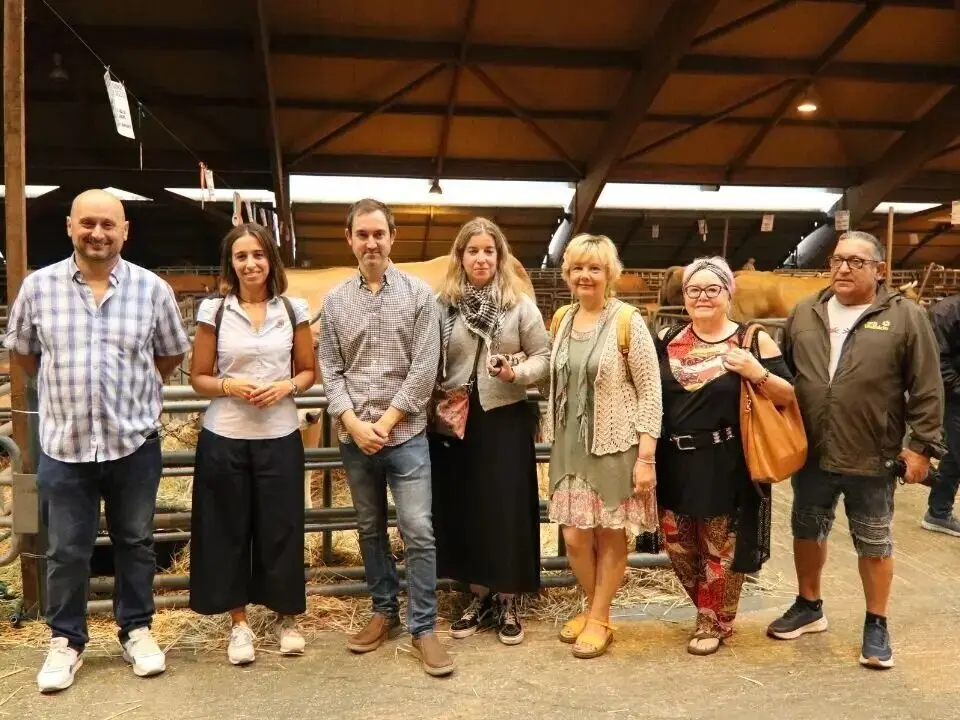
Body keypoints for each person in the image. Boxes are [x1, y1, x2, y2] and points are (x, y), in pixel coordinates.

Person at [3, 189, 191, 693]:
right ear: (70, 226)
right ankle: (66, 640)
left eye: (108, 224)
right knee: (66, 550)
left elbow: (170, 356)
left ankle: (137, 629)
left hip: (133, 443)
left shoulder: (152, 290)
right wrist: (70, 387)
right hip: (64, 445)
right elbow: (23, 354)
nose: (98, 233)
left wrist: (127, 386)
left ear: (125, 231)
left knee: (136, 541)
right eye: (88, 223)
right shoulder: (39, 288)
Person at [767, 230, 944, 669]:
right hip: (811, 449)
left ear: (879, 270)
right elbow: (782, 372)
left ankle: (877, 621)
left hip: (872, 451)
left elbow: (927, 386)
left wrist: (921, 447)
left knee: (874, 538)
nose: (843, 268)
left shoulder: (905, 317)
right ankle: (809, 605)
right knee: (807, 528)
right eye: (837, 259)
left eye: (856, 262)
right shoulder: (806, 310)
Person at [318, 198, 452, 677]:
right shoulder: (334, 302)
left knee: (417, 529)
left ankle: (423, 626)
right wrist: (353, 423)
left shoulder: (420, 296)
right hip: (356, 439)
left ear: (392, 238)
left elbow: (424, 369)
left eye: (379, 234)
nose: (371, 242)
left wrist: (387, 422)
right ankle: (383, 612)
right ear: (350, 239)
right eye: (363, 234)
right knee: (371, 528)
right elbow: (330, 369)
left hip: (407, 434)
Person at [188, 222, 316, 665]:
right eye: (241, 256)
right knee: (227, 528)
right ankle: (239, 623)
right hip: (225, 435)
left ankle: (286, 617)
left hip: (279, 435)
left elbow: (306, 371)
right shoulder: (214, 312)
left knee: (281, 527)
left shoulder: (293, 310)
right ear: (231, 264)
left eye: (258, 255)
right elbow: (199, 377)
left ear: (271, 261)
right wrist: (229, 386)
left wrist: (286, 388)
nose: (250, 263)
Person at [655, 257, 796, 656]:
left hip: (725, 458)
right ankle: (708, 608)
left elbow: (789, 395)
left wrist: (756, 372)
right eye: (693, 290)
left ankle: (713, 620)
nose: (702, 297)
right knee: (678, 545)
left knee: (721, 546)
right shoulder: (666, 339)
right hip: (674, 459)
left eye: (712, 289)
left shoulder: (752, 339)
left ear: (728, 295)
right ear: (683, 297)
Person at [430, 217, 549, 646]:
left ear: (500, 257)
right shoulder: (443, 307)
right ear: (460, 257)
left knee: (506, 508)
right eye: (472, 250)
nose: (481, 258)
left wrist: (515, 370)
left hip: (504, 418)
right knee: (466, 507)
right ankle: (476, 595)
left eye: (489, 251)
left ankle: (508, 598)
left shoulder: (519, 306)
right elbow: (431, 359)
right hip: (457, 421)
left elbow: (545, 357)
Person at [545, 233, 662, 659]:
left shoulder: (628, 321)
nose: (585, 275)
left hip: (616, 444)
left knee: (610, 533)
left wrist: (646, 457)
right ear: (568, 274)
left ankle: (598, 616)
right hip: (570, 447)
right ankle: (597, 609)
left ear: (609, 273)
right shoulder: (561, 319)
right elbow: (552, 377)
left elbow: (650, 392)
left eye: (594, 268)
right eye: (577, 268)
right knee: (575, 536)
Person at [922, 293, 960, 536]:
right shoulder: (945, 313)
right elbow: (936, 362)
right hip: (952, 395)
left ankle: (938, 512)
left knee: (955, 454)